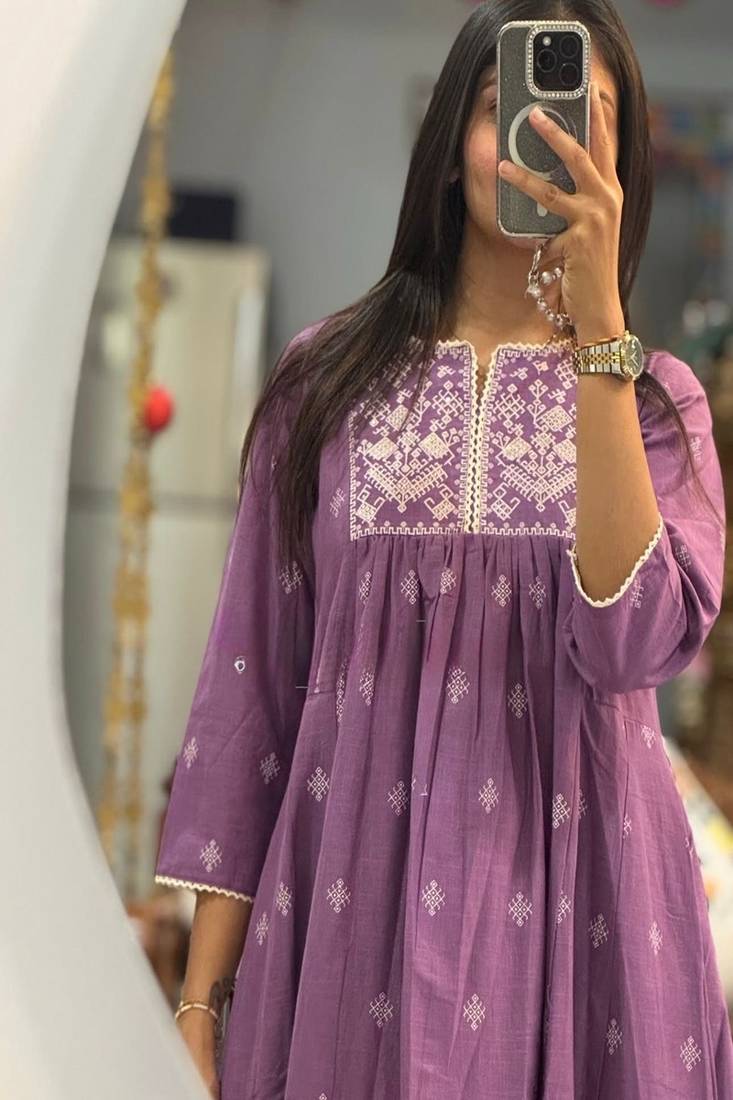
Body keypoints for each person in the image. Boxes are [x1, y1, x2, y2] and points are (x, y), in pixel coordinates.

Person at [154, 2, 733, 1097]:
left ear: (623, 163)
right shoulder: (322, 384)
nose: (546, 138)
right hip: (347, 928)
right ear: (452, 140)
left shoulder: (660, 405)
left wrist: (600, 338)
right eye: (506, 107)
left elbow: (628, 643)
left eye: (585, 118)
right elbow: (249, 692)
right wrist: (197, 998)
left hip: (588, 928)